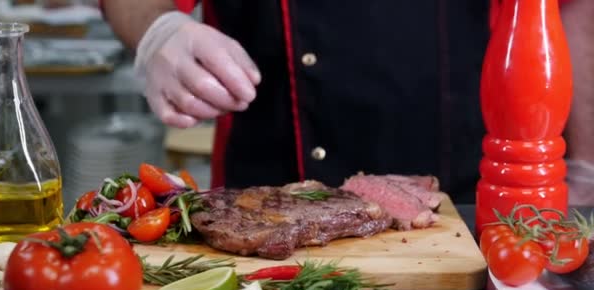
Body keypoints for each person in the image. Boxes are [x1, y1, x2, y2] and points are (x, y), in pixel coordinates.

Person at [100, 0, 593, 205]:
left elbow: (574, 11)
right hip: (264, 200)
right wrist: (157, 32)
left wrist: (585, 169)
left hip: (480, 202)